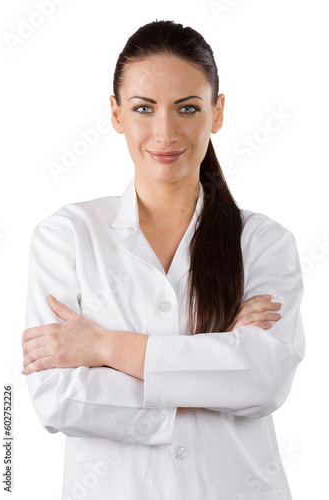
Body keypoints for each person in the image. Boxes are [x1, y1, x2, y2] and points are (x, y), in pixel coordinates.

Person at [22, 19, 305, 500]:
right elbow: (58, 399)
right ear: (116, 115)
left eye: (188, 108)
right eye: (143, 108)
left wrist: (105, 348)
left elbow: (263, 378)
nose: (165, 132)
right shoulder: (65, 236)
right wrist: (216, 376)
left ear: (217, 113)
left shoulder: (263, 242)